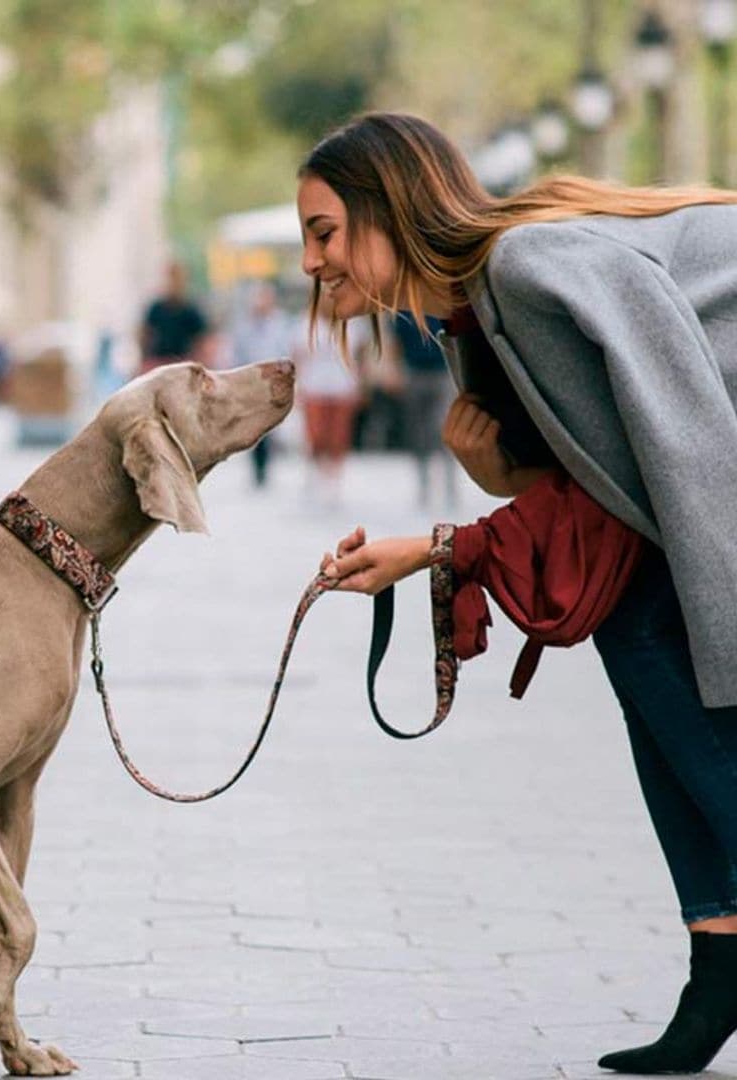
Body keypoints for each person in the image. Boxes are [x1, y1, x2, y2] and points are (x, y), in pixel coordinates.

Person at [297, 112, 737, 1075]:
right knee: (645, 648)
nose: (312, 264)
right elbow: (601, 481)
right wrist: (492, 490)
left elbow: (683, 432)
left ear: (389, 206)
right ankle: (719, 968)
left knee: (661, 647)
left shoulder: (527, 267)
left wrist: (439, 546)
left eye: (325, 232)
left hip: (716, 471)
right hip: (694, 488)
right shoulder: (474, 317)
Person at [379, 310, 457, 509]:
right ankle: (424, 484)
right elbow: (394, 342)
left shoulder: (437, 303)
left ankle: (450, 486)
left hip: (442, 373)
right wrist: (393, 370)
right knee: (418, 433)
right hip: (414, 372)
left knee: (444, 429)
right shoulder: (401, 311)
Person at [292, 288, 362, 505]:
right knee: (316, 434)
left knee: (339, 436)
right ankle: (315, 472)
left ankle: (334, 479)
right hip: (314, 386)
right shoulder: (305, 324)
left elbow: (359, 356)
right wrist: (296, 388)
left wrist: (361, 384)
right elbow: (298, 357)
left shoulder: (351, 323)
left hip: (343, 386)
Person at [230, 281, 293, 486]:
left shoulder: (281, 323)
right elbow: (237, 354)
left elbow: (288, 350)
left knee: (269, 427)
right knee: (253, 426)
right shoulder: (244, 325)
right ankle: (257, 468)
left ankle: (265, 467)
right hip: (252, 382)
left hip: (274, 383)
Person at [138, 261, 211, 375]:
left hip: (182, 366)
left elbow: (201, 344)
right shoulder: (156, 309)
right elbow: (144, 336)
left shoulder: (192, 312)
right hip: (157, 365)